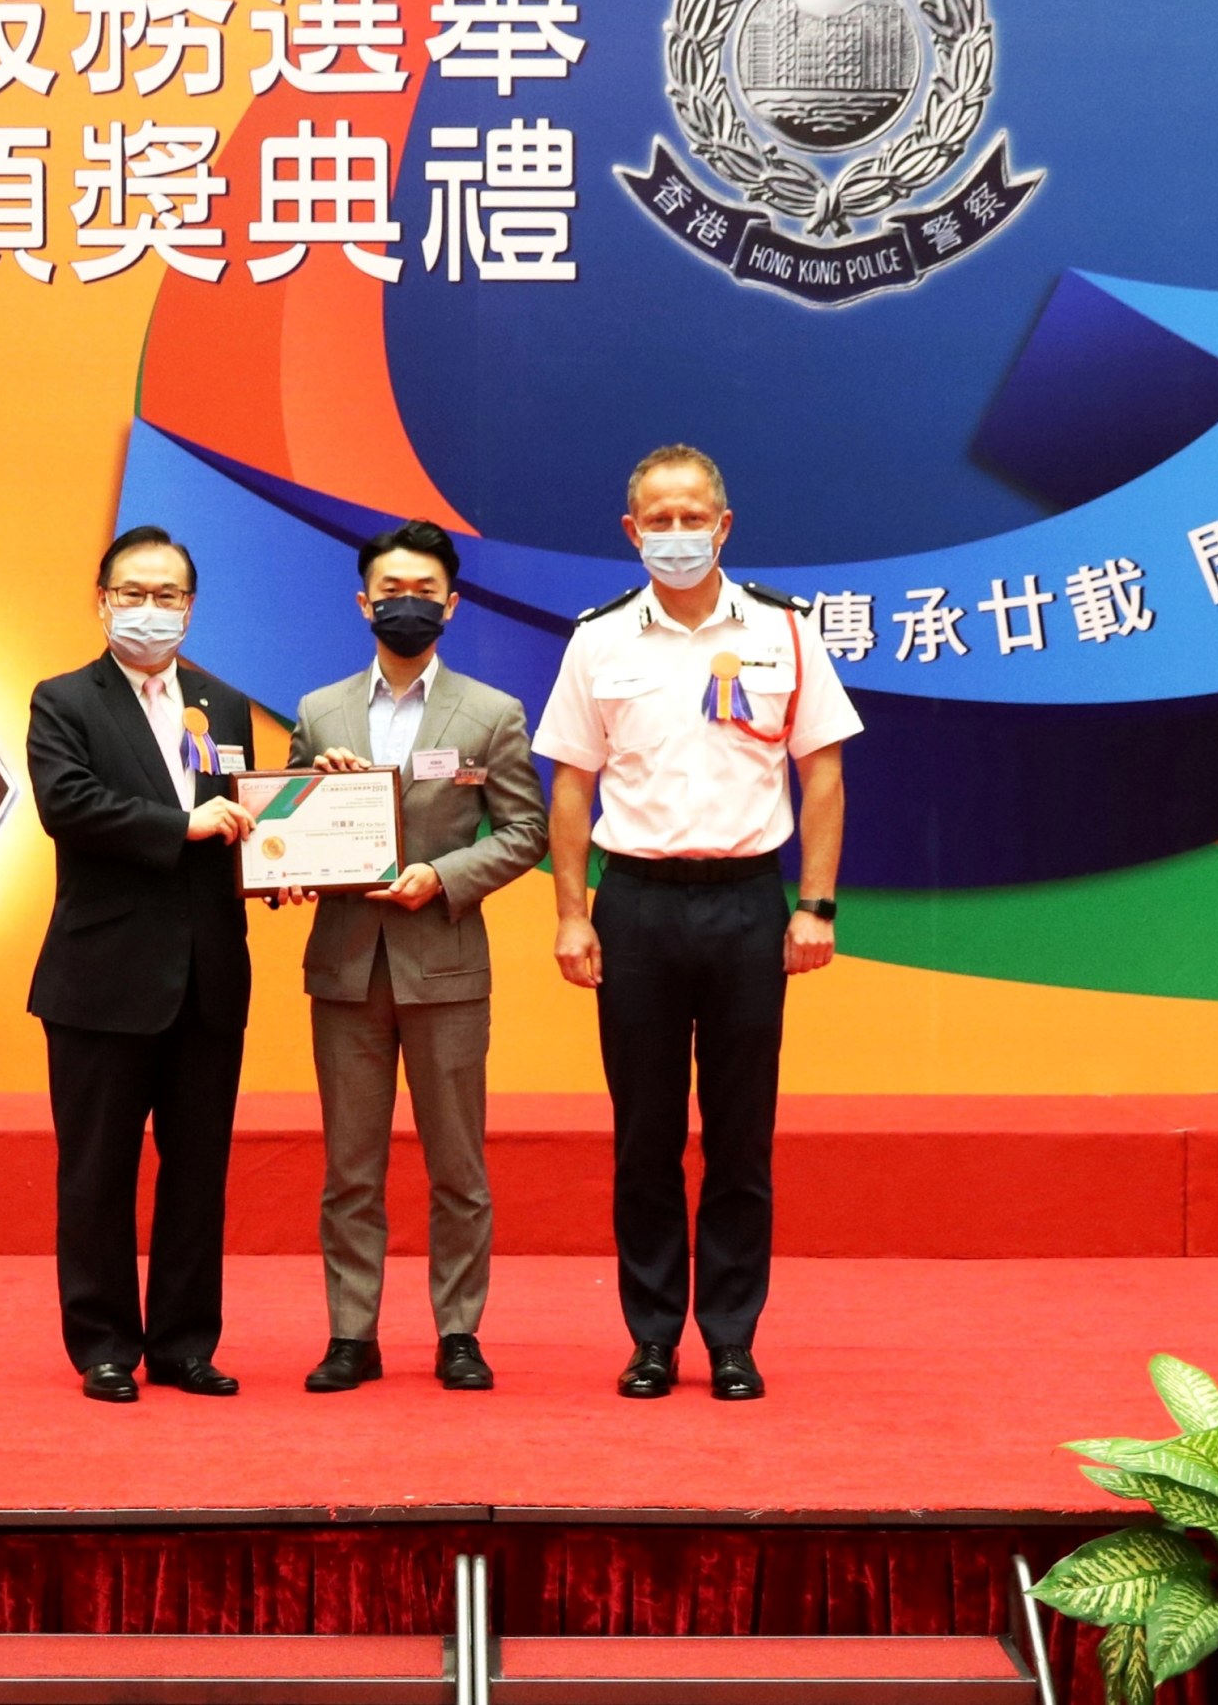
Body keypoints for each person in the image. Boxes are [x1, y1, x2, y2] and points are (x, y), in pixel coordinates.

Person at [535, 445, 860, 1401]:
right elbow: (571, 782)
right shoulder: (598, 640)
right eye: (658, 521)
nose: (676, 535)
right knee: (643, 1136)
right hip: (633, 903)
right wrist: (570, 912)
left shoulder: (784, 631)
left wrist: (815, 905)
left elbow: (824, 774)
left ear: (724, 525)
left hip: (747, 904)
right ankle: (649, 1337)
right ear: (633, 532)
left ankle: (729, 1336)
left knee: (739, 1134)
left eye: (694, 518)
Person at [280, 521, 549, 1394]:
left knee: (458, 1166)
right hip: (346, 966)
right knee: (349, 1167)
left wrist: (444, 874)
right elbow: (286, 835)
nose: (407, 603)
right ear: (363, 602)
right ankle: (351, 1333)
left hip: (446, 967)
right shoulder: (319, 710)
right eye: (390, 589)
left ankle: (459, 1330)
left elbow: (525, 832)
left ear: (451, 605)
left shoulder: (491, 712)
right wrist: (307, 817)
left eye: (424, 591)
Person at [23, 524, 260, 1403]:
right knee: (97, 1174)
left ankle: (186, 1343)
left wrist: (282, 858)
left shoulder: (222, 703)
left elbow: (239, 816)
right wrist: (180, 826)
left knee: (199, 1175)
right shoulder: (65, 700)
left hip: (207, 979)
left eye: (168, 597)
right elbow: (68, 805)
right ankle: (104, 1346)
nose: (150, 611)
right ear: (102, 599)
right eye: (134, 593)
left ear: (191, 608)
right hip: (101, 980)